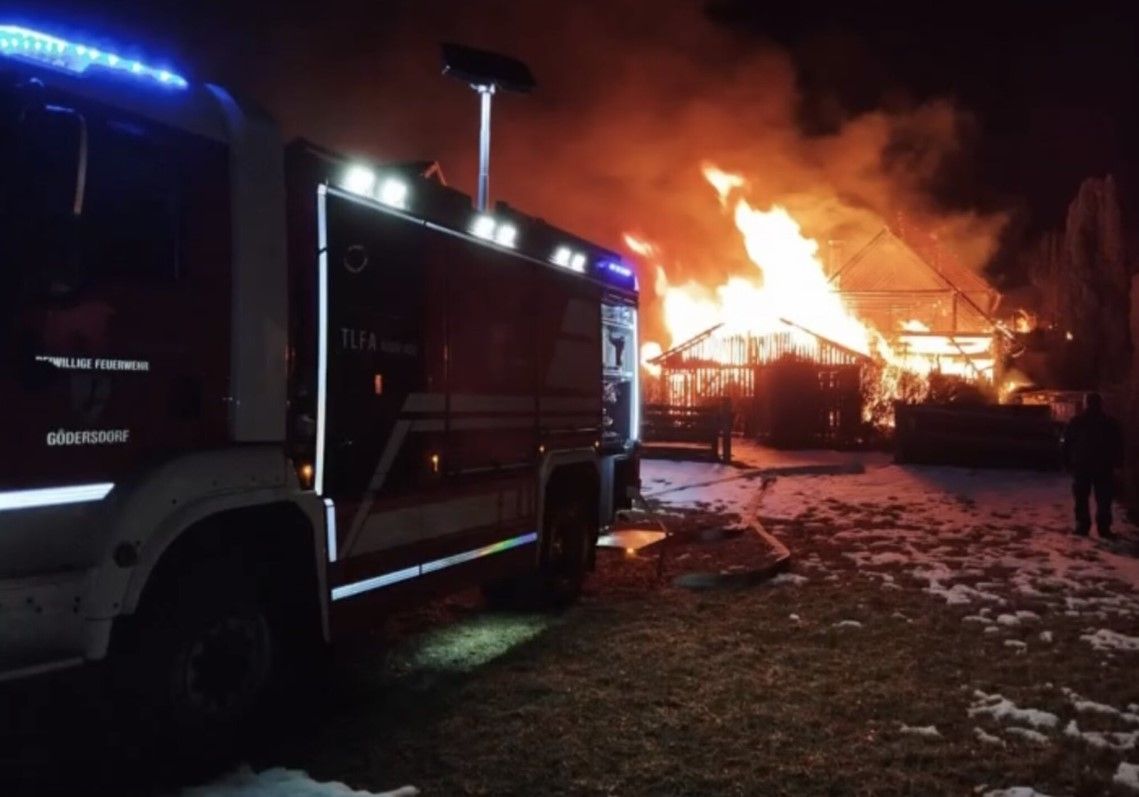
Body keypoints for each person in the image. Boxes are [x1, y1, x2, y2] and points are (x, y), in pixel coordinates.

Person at [1061, 393, 1123, 539]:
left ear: (1086, 403)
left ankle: (1082, 526)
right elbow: (1118, 445)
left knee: (1081, 497)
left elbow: (1066, 443)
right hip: (1104, 466)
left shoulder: (1077, 421)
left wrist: (1067, 462)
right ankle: (1104, 528)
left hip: (1082, 465)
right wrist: (1118, 463)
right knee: (1104, 498)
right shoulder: (1109, 422)